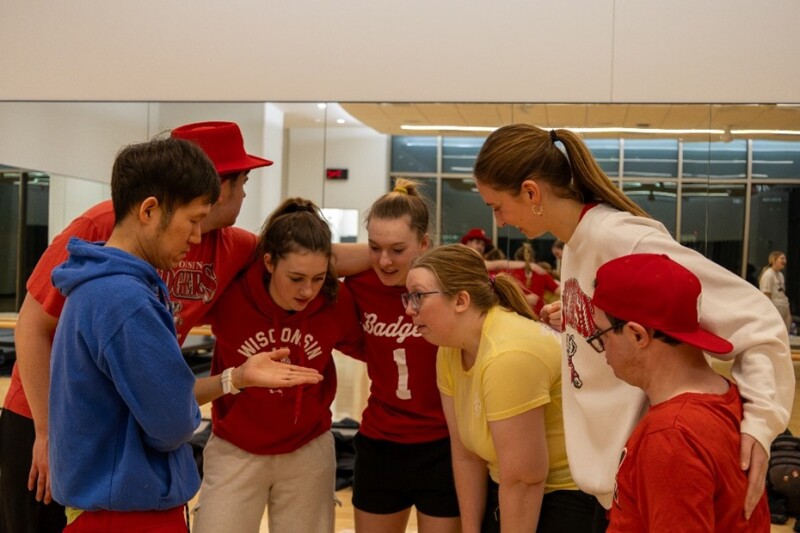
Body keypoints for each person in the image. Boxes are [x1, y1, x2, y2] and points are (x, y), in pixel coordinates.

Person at [472, 123, 794, 529]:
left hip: (654, 472)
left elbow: (756, 318)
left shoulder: (621, 238)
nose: (498, 221)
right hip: (610, 480)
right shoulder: (576, 243)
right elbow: (616, 331)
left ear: (531, 192)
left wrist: (761, 424)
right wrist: (575, 321)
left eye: (496, 206)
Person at [0, 121, 295, 533]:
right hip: (52, 420)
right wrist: (49, 434)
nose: (195, 235)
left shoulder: (114, 272)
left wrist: (233, 378)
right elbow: (33, 326)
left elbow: (161, 398)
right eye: (243, 182)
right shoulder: (121, 279)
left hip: (106, 446)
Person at [192, 198, 364, 533]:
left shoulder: (334, 301)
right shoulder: (231, 293)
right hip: (235, 448)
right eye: (297, 277)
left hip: (307, 448)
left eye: (318, 278)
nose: (307, 290)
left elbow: (374, 348)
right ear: (268, 262)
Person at [406, 244, 586, 532]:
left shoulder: (508, 354)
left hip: (564, 499)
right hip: (507, 486)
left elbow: (525, 480)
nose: (408, 308)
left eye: (417, 296)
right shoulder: (451, 347)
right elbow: (466, 453)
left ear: (461, 300)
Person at [591, 253, 770, 531]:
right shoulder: (727, 395)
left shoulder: (671, 438)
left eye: (601, 336)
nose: (603, 351)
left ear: (637, 335)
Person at [344, 179, 461, 533]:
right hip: (381, 444)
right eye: (374, 247)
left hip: (445, 446)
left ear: (424, 244)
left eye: (397, 249)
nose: (384, 260)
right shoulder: (360, 285)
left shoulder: (452, 287)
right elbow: (315, 256)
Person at [508, 242, 560, 318]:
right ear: (533, 258)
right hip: (538, 318)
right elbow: (559, 290)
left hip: (517, 317)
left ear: (517, 259)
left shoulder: (511, 273)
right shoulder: (541, 273)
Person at [759, 250, 792, 331]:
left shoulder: (780, 275)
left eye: (785, 259)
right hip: (775, 307)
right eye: (782, 258)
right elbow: (766, 294)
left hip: (784, 305)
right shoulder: (768, 274)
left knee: (785, 331)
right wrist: (769, 311)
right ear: (774, 260)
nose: (785, 261)